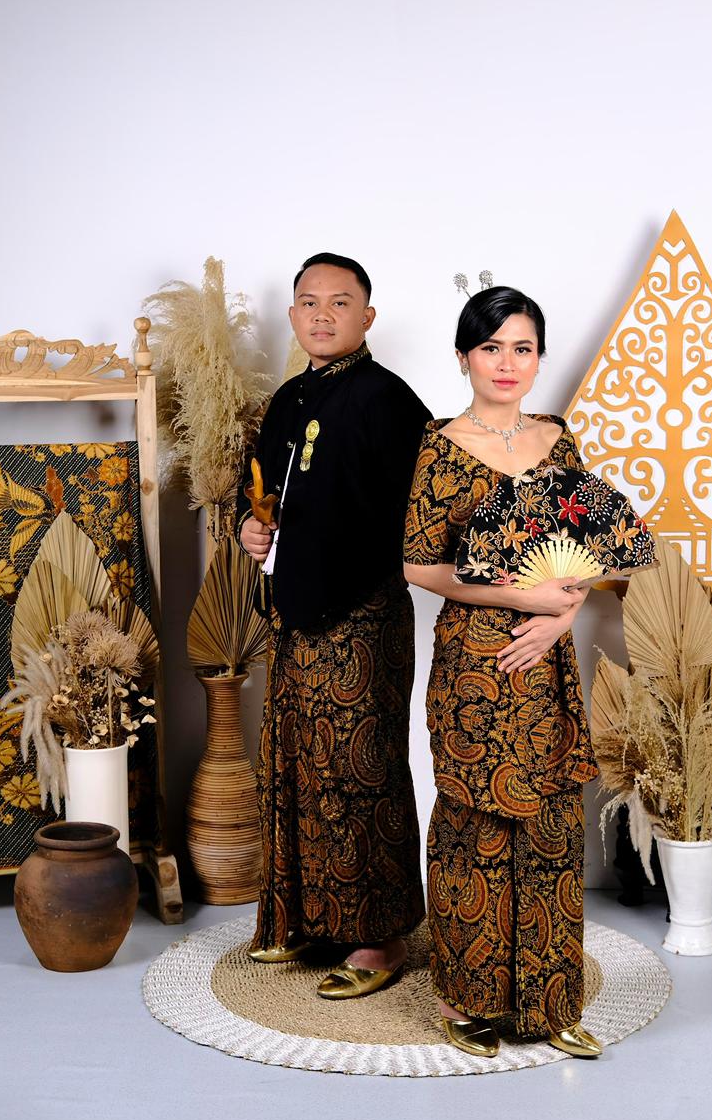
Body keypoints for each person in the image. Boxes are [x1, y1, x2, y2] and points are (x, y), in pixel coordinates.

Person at [403, 286, 603, 1058]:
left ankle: (552, 1002)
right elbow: (419, 566)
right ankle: (467, 1002)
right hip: (476, 662)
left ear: (539, 357)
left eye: (522, 347)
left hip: (546, 660)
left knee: (552, 820)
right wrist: (525, 598)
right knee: (476, 824)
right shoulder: (440, 445)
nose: (507, 362)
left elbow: (585, 547)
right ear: (464, 358)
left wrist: (563, 615)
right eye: (491, 348)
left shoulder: (557, 439)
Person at [237, 252, 429, 998]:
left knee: (361, 769)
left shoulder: (389, 399)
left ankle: (379, 939)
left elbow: (421, 516)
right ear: (293, 316)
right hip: (295, 612)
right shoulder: (288, 398)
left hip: (363, 613)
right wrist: (252, 530)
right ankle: (311, 920)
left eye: (339, 302)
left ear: (367, 316)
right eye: (309, 302)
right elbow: (261, 495)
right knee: (298, 766)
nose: (322, 314)